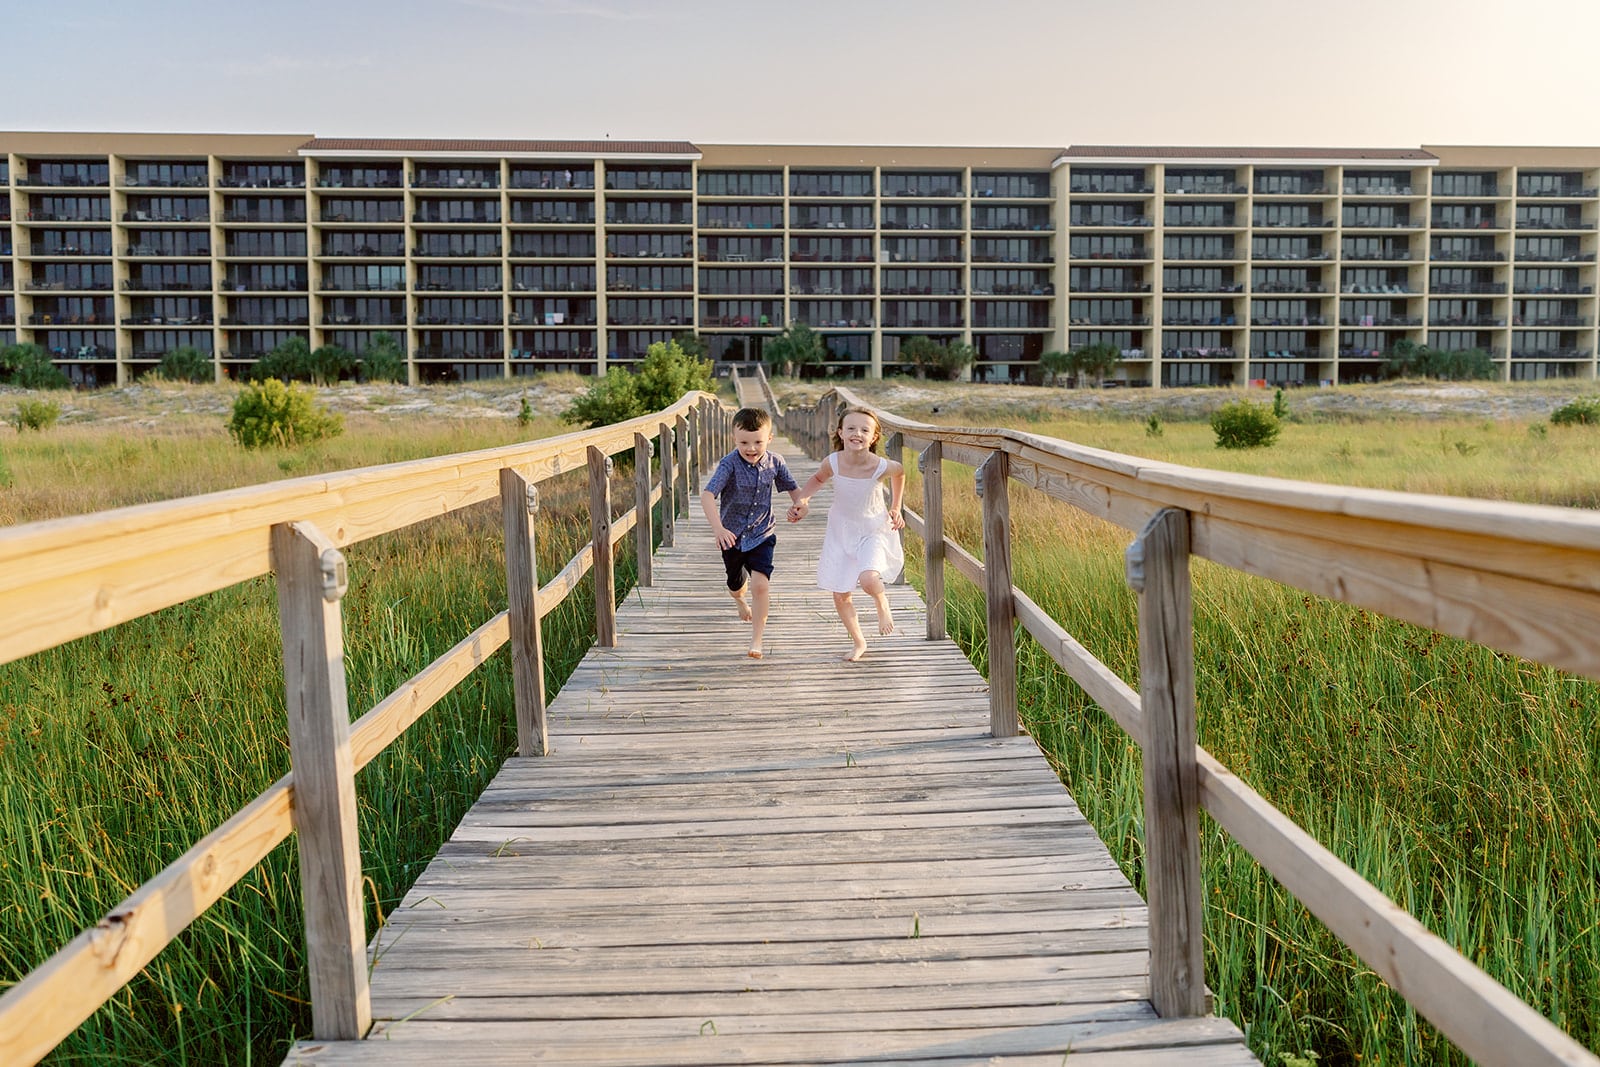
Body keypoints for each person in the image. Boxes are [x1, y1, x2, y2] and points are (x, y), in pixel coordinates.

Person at [787, 407, 905, 661]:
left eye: (865, 430)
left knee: (869, 579)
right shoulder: (833, 462)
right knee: (840, 594)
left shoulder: (880, 466)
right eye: (851, 428)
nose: (857, 434)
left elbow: (900, 473)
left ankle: (882, 603)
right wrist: (803, 500)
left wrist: (895, 507)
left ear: (873, 438)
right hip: (840, 531)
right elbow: (818, 479)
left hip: (872, 529)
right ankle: (859, 641)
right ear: (840, 432)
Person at [700, 407, 802, 659]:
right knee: (736, 586)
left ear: (769, 438)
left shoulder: (776, 462)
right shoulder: (729, 464)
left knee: (760, 585)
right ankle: (739, 602)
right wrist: (718, 528)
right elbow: (707, 494)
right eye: (744, 442)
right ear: (734, 438)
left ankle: (756, 640)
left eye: (758, 442)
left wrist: (801, 505)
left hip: (762, 532)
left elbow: (794, 489)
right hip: (731, 536)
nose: (751, 448)